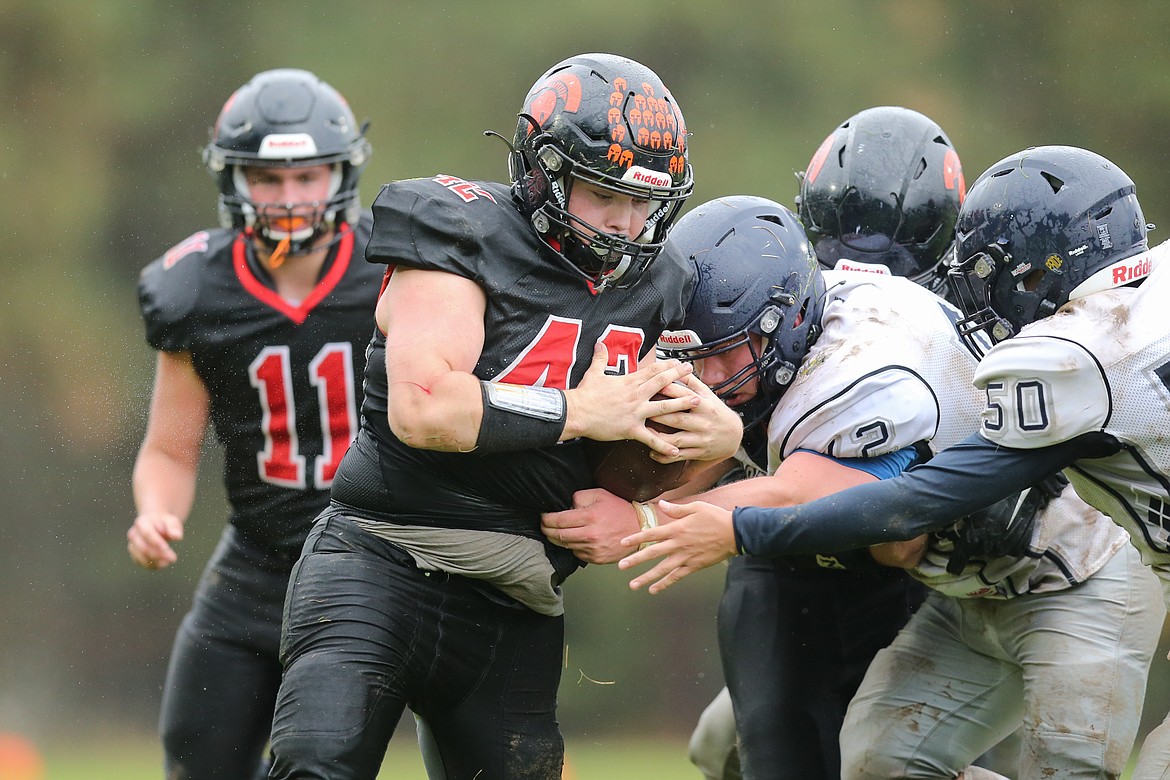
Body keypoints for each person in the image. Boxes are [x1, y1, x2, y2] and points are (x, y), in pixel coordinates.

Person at [621, 146, 1170, 778]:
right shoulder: (866, 316)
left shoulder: (1072, 359)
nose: (968, 287)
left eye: (985, 268)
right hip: (969, 600)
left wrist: (741, 523)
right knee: (880, 761)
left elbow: (915, 513)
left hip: (1078, 576)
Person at [265, 52, 743, 780]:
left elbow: (672, 470)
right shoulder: (458, 232)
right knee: (315, 766)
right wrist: (581, 410)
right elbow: (426, 409)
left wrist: (713, 450)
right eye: (602, 193)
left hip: (516, 598)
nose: (625, 221)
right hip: (380, 566)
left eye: (644, 201)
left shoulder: (666, 283)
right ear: (543, 171)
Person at [127, 69, 381, 779]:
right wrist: (156, 514)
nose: (291, 197)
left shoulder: (398, 269)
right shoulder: (198, 289)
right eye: (268, 178)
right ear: (234, 180)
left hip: (382, 563)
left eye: (308, 175)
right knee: (196, 752)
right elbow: (170, 451)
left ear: (341, 172)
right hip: (257, 563)